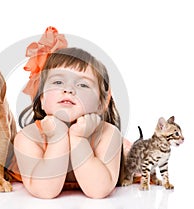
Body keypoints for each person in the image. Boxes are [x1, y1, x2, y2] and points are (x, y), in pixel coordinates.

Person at [13, 27, 123, 199]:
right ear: (41, 97)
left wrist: (79, 138)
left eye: (83, 85)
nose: (69, 90)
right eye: (58, 82)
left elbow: (98, 191)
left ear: (102, 102)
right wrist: (58, 137)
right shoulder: (28, 138)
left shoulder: (108, 135)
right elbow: (45, 191)